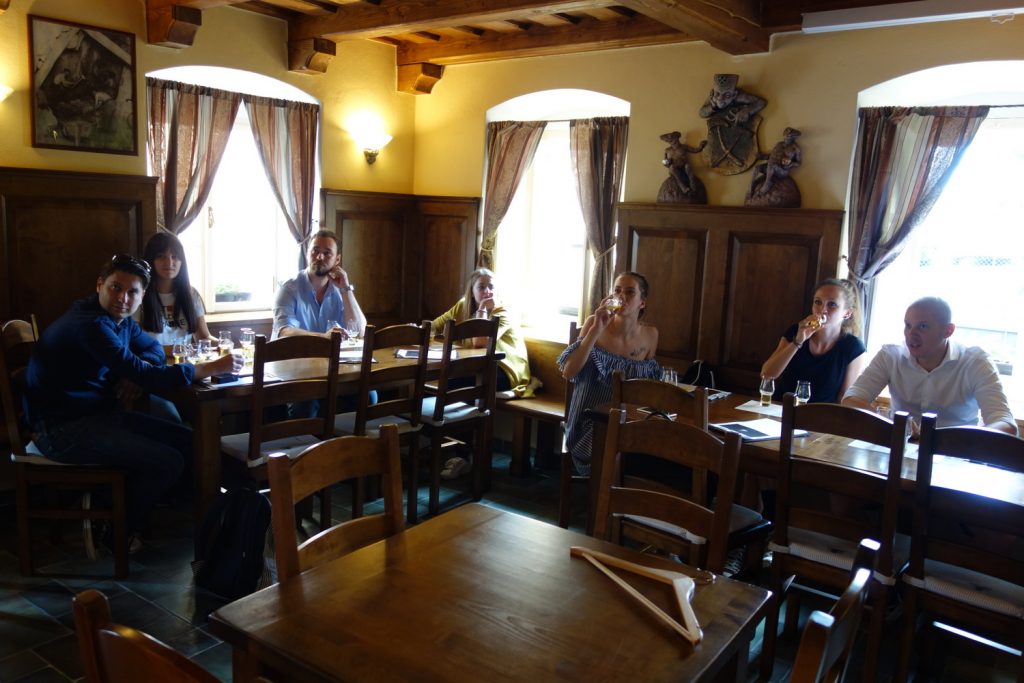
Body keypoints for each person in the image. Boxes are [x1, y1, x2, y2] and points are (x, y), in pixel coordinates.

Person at [25, 255, 242, 549]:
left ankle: (194, 523)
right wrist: (211, 368)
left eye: (132, 292)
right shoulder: (90, 324)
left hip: (97, 414)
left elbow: (153, 350)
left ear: (142, 296)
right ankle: (116, 529)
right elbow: (149, 374)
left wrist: (136, 376)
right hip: (58, 429)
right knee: (168, 462)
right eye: (116, 288)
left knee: (190, 442)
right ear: (100, 285)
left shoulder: (122, 321)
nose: (122, 299)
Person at [842, 296, 1016, 434]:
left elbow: (1006, 424)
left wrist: (968, 440)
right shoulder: (891, 355)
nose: (911, 334)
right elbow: (850, 400)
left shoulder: (976, 362)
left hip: (955, 454)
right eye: (908, 325)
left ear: (948, 330)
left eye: (923, 327)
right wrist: (891, 424)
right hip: (897, 447)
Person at [431, 268, 533, 480]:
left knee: (458, 387)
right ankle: (457, 452)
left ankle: (464, 455)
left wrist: (483, 310)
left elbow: (481, 342)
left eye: (491, 287)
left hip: (507, 371)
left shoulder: (502, 313)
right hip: (476, 369)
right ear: (472, 290)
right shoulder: (462, 306)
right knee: (451, 385)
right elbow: (436, 325)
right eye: (481, 287)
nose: (487, 291)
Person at [558, 272, 661, 476]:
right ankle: (608, 494)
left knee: (658, 450)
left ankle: (622, 493)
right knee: (621, 454)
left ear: (642, 302)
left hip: (628, 424)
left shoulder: (651, 335)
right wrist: (596, 329)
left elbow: (648, 387)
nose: (621, 296)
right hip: (590, 423)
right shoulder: (593, 324)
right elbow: (569, 372)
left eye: (630, 292)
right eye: (617, 290)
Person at [760, 278, 866, 403]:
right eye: (818, 302)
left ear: (847, 313)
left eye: (832, 304)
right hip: (782, 409)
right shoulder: (796, 331)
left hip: (822, 413)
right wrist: (798, 341)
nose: (822, 310)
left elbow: (844, 398)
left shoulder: (853, 348)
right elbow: (767, 374)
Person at [273, 230, 367, 339]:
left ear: (337, 260)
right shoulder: (288, 289)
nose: (319, 257)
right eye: (315, 251)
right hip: (294, 350)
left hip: (331, 351)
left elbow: (360, 332)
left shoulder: (341, 291)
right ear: (307, 254)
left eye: (327, 253)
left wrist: (346, 289)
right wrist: (323, 337)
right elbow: (284, 331)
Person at [139, 231, 214, 346]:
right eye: (161, 256)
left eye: (174, 257)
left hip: (184, 357)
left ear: (182, 261)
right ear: (151, 260)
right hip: (153, 358)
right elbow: (134, 344)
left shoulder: (191, 293)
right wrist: (178, 350)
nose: (169, 262)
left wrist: (225, 345)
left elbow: (203, 337)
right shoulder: (139, 294)